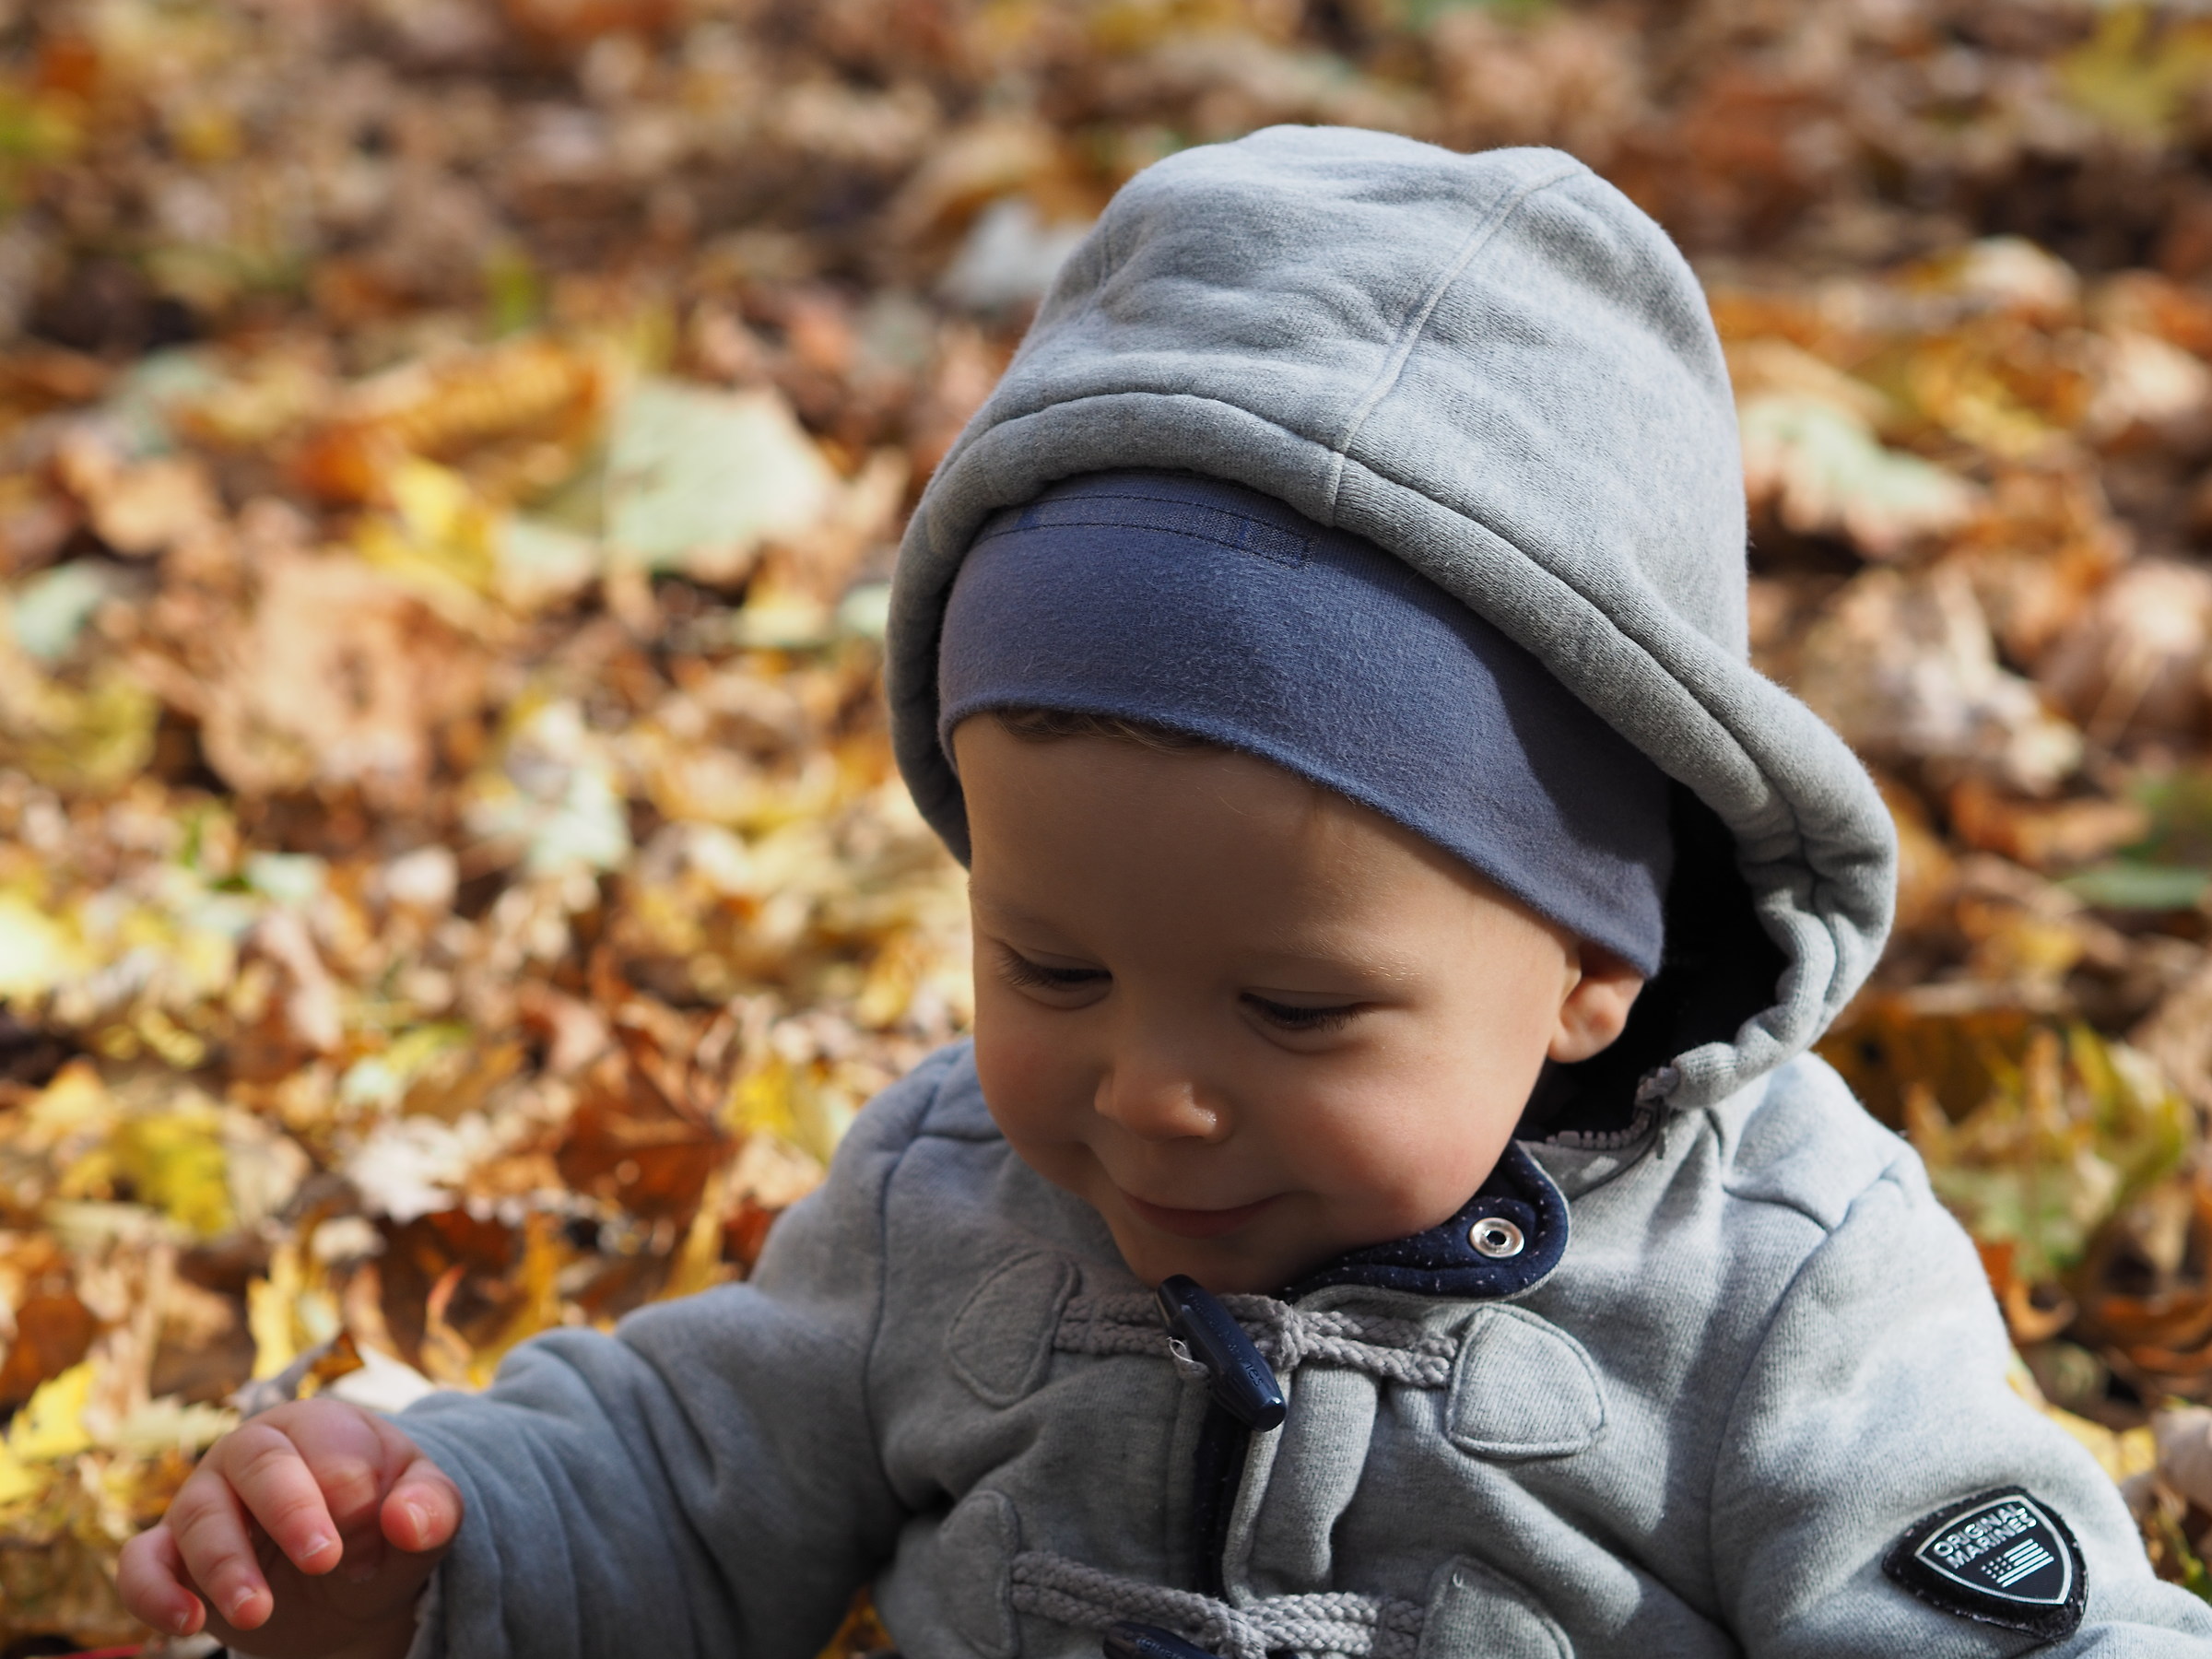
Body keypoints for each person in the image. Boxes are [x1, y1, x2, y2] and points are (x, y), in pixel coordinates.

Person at [119, 127, 2212, 1658]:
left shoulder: (1779, 1278)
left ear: (1593, 958)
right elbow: (683, 1476)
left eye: (1295, 1010)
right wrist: (422, 1549)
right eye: (1051, 965)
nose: (1149, 1096)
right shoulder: (949, 1196)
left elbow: (1998, 1612)